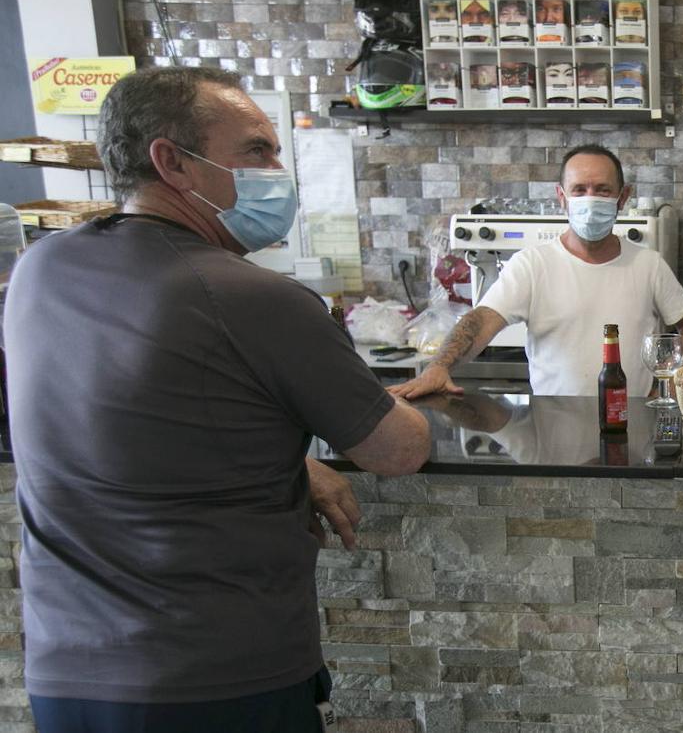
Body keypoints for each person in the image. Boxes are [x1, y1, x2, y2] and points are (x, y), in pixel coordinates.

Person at [4, 66, 432, 732]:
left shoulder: (40, 269)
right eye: (257, 151)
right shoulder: (256, 299)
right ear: (172, 162)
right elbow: (399, 450)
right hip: (215, 682)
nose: (277, 170)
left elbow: (127, 417)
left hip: (67, 677)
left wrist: (289, 462)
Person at [389, 144, 683, 400]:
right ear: (561, 197)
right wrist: (439, 366)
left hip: (629, 421)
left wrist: (674, 385)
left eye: (603, 190)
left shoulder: (648, 265)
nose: (589, 199)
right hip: (553, 426)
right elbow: (482, 319)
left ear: (623, 198)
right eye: (579, 189)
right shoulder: (531, 265)